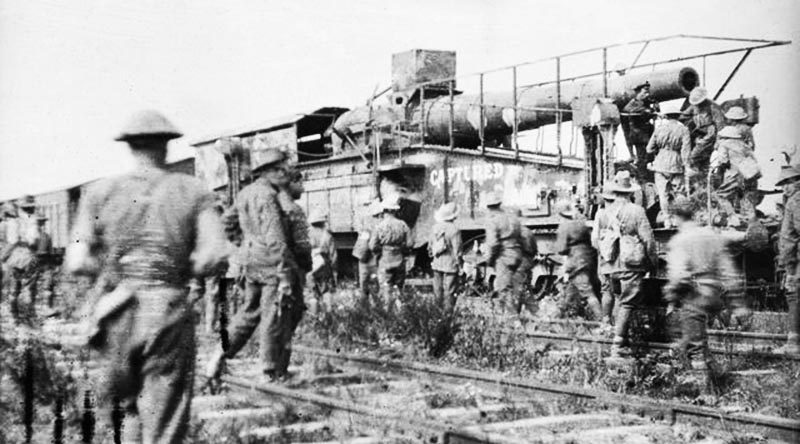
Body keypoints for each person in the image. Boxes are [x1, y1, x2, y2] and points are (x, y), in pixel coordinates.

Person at [66, 110, 228, 443]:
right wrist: (180, 271)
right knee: (164, 415)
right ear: (166, 146)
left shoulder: (99, 192)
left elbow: (77, 260)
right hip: (166, 309)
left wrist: (116, 273)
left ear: (128, 146)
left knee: (130, 410)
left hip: (115, 312)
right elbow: (216, 254)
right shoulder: (192, 191)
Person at [207, 147, 305, 382]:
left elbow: (227, 222)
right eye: (282, 168)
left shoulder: (245, 193)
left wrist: (245, 245)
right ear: (273, 171)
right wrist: (283, 274)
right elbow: (275, 238)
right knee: (275, 314)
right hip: (271, 264)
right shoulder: (269, 196)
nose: (286, 173)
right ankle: (269, 371)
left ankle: (220, 352)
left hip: (250, 263)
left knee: (250, 312)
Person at [664, 197, 750, 369]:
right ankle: (713, 376)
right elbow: (729, 272)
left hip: (694, 297)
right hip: (715, 295)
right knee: (695, 340)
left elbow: (679, 276)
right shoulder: (711, 235)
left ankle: (704, 391)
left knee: (694, 348)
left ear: (676, 217)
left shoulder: (679, 240)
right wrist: (738, 303)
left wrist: (671, 296)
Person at [592, 171, 657, 356]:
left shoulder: (603, 212)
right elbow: (648, 240)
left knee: (619, 299)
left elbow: (596, 240)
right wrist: (652, 262)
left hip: (609, 265)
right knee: (628, 302)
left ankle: (618, 336)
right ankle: (618, 345)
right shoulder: (636, 211)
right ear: (630, 192)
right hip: (630, 263)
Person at [645, 104, 691, 224]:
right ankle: (679, 219)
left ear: (666, 116)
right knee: (680, 193)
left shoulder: (659, 129)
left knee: (662, 194)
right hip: (676, 164)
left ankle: (666, 220)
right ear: (678, 116)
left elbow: (649, 149)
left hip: (660, 164)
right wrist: (686, 166)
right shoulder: (684, 130)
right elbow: (685, 151)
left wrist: (659, 151)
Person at [555, 209, 602, 320]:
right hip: (589, 259)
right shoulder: (581, 224)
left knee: (588, 292)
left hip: (577, 262)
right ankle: (555, 320)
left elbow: (561, 249)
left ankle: (603, 323)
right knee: (568, 294)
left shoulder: (564, 227)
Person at [483, 192, 523, 312]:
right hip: (517, 255)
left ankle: (512, 321)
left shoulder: (492, 220)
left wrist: (489, 260)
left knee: (504, 289)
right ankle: (514, 313)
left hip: (504, 256)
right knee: (515, 287)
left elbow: (493, 243)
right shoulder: (513, 218)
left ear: (488, 207)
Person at [710, 126, 761, 220]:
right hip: (750, 174)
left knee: (720, 195)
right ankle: (751, 220)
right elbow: (753, 159)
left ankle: (733, 218)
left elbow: (723, 161)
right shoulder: (744, 145)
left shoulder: (724, 145)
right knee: (747, 198)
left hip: (735, 174)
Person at [369, 197, 412, 307]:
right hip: (399, 260)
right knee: (398, 288)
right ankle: (400, 312)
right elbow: (409, 244)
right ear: (395, 210)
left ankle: (387, 313)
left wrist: (382, 249)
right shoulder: (403, 225)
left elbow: (372, 246)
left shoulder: (379, 226)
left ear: (384, 210)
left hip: (385, 260)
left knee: (386, 287)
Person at [681, 87, 725, 192]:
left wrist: (719, 142)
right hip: (699, 135)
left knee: (692, 158)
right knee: (703, 163)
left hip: (709, 136)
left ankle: (699, 185)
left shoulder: (712, 106)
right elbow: (683, 115)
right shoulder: (694, 107)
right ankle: (703, 187)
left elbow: (720, 125)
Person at [777, 164, 800, 355]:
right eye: (783, 184)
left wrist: (788, 265)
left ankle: (793, 343)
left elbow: (791, 236)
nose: (785, 188)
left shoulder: (796, 200)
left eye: (788, 182)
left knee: (793, 295)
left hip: (797, 259)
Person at [6, 195, 39, 323]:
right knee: (29, 288)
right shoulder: (33, 220)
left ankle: (14, 317)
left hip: (15, 257)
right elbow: (34, 241)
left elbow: (12, 240)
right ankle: (29, 317)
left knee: (14, 289)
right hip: (29, 257)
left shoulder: (14, 222)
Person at [428, 202, 462, 316]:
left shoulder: (435, 227)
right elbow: (458, 251)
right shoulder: (454, 229)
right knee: (450, 291)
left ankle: (437, 313)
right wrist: (460, 265)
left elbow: (430, 246)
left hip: (437, 263)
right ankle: (447, 315)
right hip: (450, 264)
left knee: (437, 290)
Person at [623, 81, 660, 182]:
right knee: (642, 159)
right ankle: (643, 181)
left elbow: (653, 112)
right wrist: (645, 111)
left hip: (647, 134)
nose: (647, 95)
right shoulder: (632, 104)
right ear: (638, 92)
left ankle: (649, 180)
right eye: (644, 92)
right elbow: (628, 111)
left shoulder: (646, 102)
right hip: (639, 136)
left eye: (648, 92)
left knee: (650, 158)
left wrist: (655, 107)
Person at [353, 198, 382, 307]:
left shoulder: (364, 221)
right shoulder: (380, 222)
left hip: (364, 258)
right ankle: (377, 308)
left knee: (364, 285)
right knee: (376, 285)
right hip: (376, 258)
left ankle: (363, 309)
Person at [307, 209, 337, 303]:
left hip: (310, 266)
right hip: (324, 268)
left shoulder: (307, 235)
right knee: (326, 292)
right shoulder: (327, 235)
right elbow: (333, 255)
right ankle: (328, 316)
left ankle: (315, 316)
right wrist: (334, 271)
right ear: (323, 222)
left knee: (312, 294)